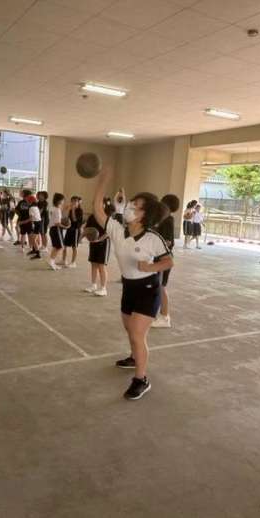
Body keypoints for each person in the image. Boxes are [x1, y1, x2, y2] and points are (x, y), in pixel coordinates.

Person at [94, 168, 173, 400]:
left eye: (135, 206)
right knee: (130, 330)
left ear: (144, 215)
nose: (129, 207)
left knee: (138, 334)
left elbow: (169, 262)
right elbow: (98, 209)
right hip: (129, 288)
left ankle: (141, 379)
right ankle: (133, 357)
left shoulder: (152, 238)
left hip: (148, 290)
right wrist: (102, 182)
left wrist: (150, 267)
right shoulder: (118, 231)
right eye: (131, 203)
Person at [152, 194, 180, 328]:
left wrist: (155, 249)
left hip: (163, 259)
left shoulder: (168, 220)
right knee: (156, 287)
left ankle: (165, 317)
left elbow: (168, 242)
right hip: (156, 258)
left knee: (161, 287)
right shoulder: (162, 219)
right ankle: (155, 313)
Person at [84, 201, 113, 296]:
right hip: (93, 242)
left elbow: (109, 232)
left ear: (104, 205)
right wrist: (86, 237)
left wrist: (99, 239)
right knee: (93, 264)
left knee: (101, 266)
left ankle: (103, 288)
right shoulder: (91, 217)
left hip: (104, 243)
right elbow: (87, 229)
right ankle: (93, 285)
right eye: (94, 204)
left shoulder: (106, 217)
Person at [48, 193, 69, 271]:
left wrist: (65, 209)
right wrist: (66, 227)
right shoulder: (57, 210)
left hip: (52, 229)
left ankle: (52, 261)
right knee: (60, 247)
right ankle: (51, 261)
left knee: (56, 246)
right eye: (63, 200)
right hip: (56, 229)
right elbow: (57, 223)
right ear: (59, 200)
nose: (63, 201)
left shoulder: (52, 208)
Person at [62, 196, 83, 268]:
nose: (73, 203)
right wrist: (67, 209)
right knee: (65, 245)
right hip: (69, 229)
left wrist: (73, 209)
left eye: (75, 201)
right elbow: (67, 218)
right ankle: (63, 260)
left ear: (78, 202)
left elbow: (74, 219)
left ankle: (73, 262)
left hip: (76, 230)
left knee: (74, 247)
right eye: (72, 201)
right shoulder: (71, 210)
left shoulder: (80, 210)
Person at [27, 195, 42, 259]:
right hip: (38, 223)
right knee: (33, 238)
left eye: (28, 201)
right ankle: (34, 250)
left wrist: (31, 223)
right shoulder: (36, 207)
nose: (27, 202)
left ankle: (38, 254)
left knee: (33, 239)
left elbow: (31, 218)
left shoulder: (31, 208)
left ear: (30, 201)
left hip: (36, 224)